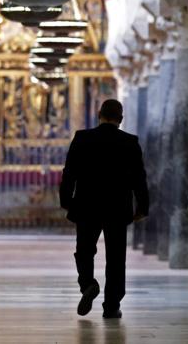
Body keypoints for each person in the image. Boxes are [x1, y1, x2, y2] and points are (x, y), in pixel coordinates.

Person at [60, 98, 149, 318]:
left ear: (99, 115)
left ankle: (88, 284)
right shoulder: (130, 142)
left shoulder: (82, 138)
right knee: (116, 257)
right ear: (121, 119)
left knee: (84, 251)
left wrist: (66, 201)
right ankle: (111, 306)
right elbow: (140, 178)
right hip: (118, 208)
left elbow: (69, 172)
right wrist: (142, 207)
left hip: (87, 205)